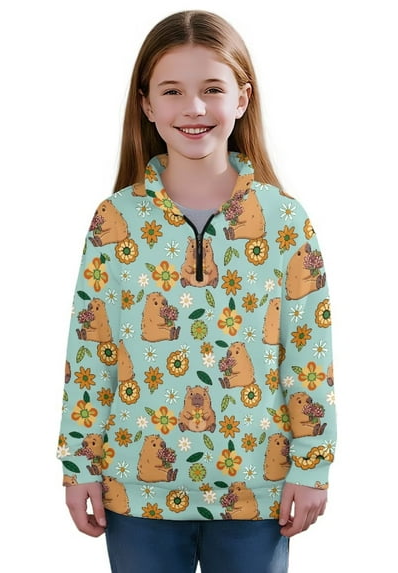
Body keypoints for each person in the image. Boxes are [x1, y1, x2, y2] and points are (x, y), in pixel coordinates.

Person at [57, 10, 336, 573]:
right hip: (136, 491)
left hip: (257, 488)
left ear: (242, 99)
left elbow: (308, 351)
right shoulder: (115, 220)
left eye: (212, 88)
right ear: (146, 104)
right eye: (172, 91)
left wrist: (313, 465)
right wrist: (78, 462)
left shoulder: (284, 220)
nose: (194, 108)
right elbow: (92, 350)